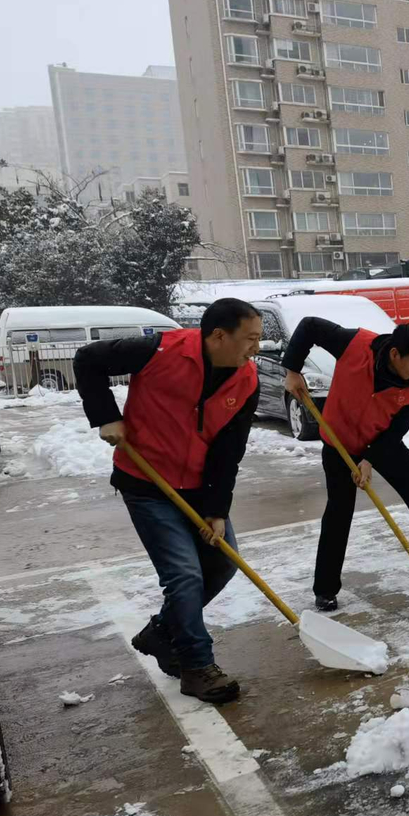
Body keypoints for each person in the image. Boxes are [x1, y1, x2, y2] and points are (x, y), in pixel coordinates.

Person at [73, 299, 263, 704]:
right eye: (250, 338)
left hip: (197, 487)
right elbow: (87, 359)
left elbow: (229, 451)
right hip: (146, 483)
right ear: (217, 336)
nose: (256, 348)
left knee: (222, 564)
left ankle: (160, 632)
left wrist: (216, 512)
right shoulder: (158, 350)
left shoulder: (246, 381)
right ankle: (196, 666)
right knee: (184, 576)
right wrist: (106, 415)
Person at [282, 320, 409, 612]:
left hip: (383, 444)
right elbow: (309, 327)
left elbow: (396, 429)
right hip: (338, 443)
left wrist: (369, 459)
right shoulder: (354, 344)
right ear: (395, 354)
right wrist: (292, 370)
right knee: (338, 514)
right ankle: (325, 589)